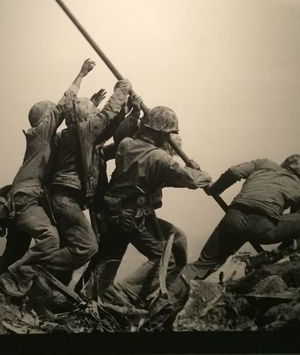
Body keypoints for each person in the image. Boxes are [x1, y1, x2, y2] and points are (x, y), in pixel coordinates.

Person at [0, 58, 96, 297]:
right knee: (50, 238)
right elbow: (63, 105)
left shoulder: (45, 141)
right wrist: (81, 75)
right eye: (52, 116)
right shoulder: (41, 134)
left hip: (25, 199)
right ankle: (15, 279)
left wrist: (91, 105)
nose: (56, 119)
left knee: (14, 252)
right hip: (26, 199)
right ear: (45, 118)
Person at [90, 106, 212, 304]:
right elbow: (191, 180)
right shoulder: (161, 158)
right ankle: (126, 295)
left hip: (112, 211)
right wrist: (201, 173)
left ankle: (98, 295)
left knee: (109, 259)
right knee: (165, 259)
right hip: (133, 216)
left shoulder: (127, 144)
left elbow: (161, 175)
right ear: (163, 134)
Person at [167, 154, 300, 305]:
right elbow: (296, 224)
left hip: (234, 218)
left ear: (284, 164)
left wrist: (214, 189)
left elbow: (234, 172)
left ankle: (166, 298)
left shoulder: (264, 164)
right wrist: (281, 252)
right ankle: (280, 259)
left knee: (203, 264)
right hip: (263, 227)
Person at [43, 78, 133, 287]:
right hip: (66, 198)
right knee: (87, 246)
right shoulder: (83, 131)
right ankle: (36, 268)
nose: (95, 116)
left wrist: (129, 110)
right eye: (92, 113)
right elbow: (106, 117)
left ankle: (50, 291)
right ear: (86, 117)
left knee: (71, 248)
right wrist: (121, 91)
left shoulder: (74, 135)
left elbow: (109, 127)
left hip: (64, 198)